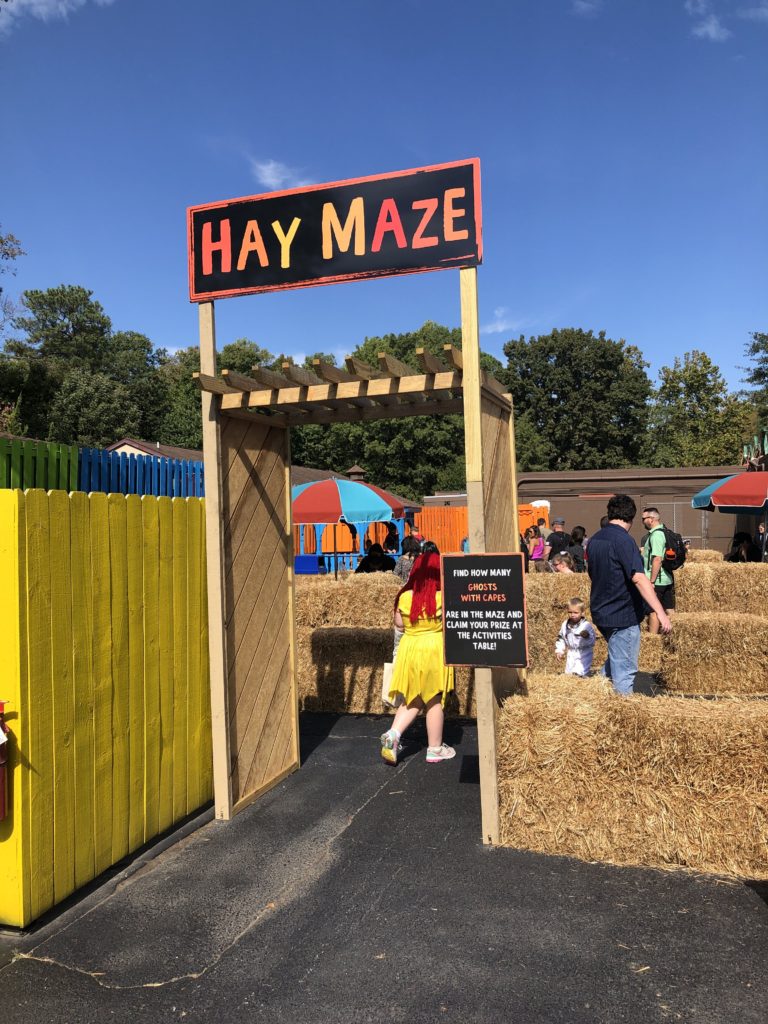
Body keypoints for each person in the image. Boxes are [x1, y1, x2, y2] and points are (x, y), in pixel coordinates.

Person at [587, 494, 672, 695]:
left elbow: (593, 573)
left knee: (616, 659)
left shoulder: (595, 540)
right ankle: (622, 713)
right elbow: (639, 578)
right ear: (632, 517)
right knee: (625, 670)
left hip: (601, 611)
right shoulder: (624, 541)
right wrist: (660, 613)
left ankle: (593, 697)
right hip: (622, 614)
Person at [380, 553, 456, 765]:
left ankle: (394, 734)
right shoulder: (443, 596)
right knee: (433, 698)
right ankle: (435, 748)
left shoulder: (404, 597)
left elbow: (399, 624)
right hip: (433, 647)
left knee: (412, 696)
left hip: (410, 648)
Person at [640, 507, 676, 635]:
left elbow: (657, 559)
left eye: (644, 518)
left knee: (653, 611)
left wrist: (651, 581)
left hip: (658, 580)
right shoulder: (664, 531)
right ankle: (673, 636)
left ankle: (653, 640)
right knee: (669, 609)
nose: (642, 521)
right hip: (666, 578)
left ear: (652, 519)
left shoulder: (656, 535)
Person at [555, 598, 597, 676]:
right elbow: (561, 638)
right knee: (569, 675)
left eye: (576, 612)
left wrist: (587, 636)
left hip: (584, 653)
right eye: (570, 612)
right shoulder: (565, 625)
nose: (572, 615)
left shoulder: (586, 626)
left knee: (578, 674)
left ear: (582, 613)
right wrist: (559, 650)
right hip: (571, 653)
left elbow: (592, 641)